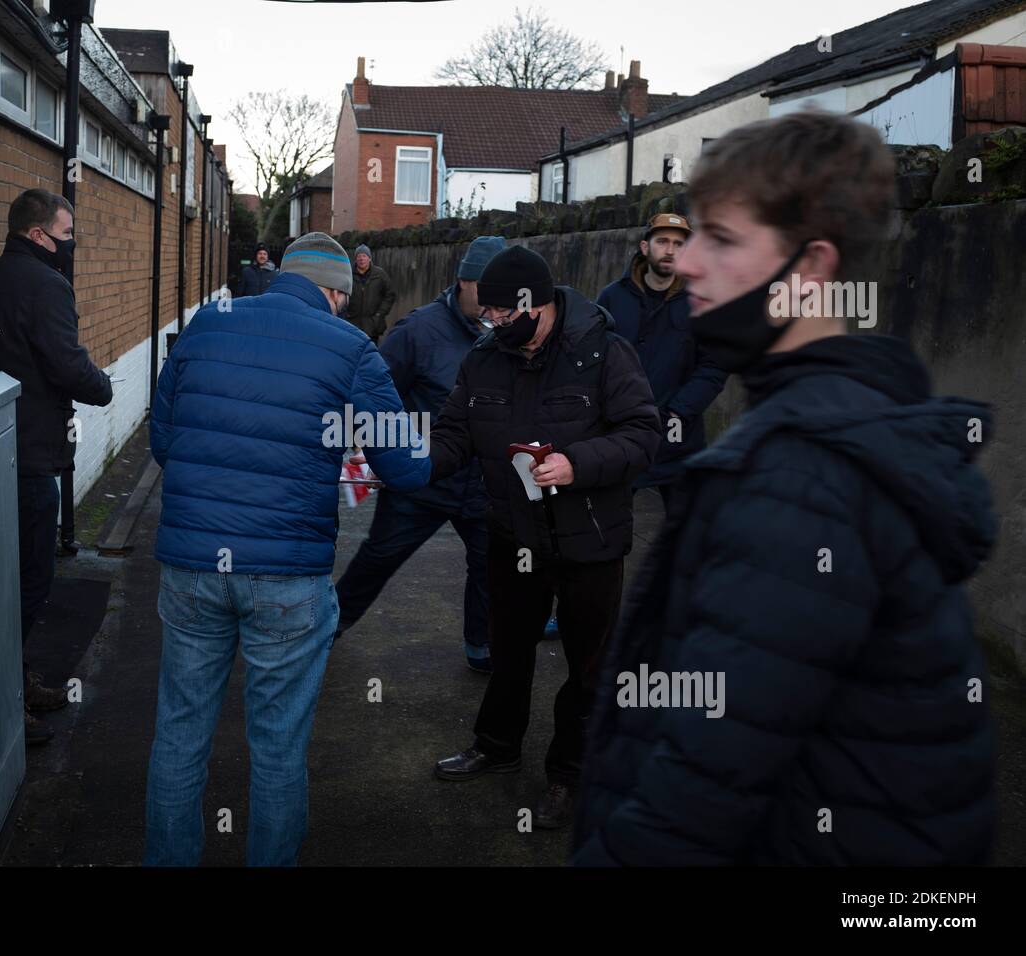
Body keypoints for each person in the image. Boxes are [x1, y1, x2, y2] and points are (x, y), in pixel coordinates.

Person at [571, 111, 996, 866]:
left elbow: (702, 780)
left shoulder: (799, 478)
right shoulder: (847, 423)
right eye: (690, 234)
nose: (689, 262)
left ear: (808, 271)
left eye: (723, 239)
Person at [145, 231, 430, 867]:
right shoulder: (351, 346)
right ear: (335, 292)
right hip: (286, 575)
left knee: (180, 731)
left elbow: (164, 441)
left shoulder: (205, 325)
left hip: (192, 566)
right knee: (276, 746)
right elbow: (407, 467)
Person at [426, 244, 661, 829]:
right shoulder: (484, 359)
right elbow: (454, 433)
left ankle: (569, 776)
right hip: (514, 536)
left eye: (502, 314)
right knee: (508, 651)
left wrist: (576, 463)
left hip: (590, 540)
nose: (492, 324)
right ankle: (498, 746)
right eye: (488, 315)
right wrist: (405, 463)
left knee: (587, 665)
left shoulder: (605, 353)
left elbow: (643, 434)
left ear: (535, 305)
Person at [0, 188, 113, 746]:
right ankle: (6, 706)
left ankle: (15, 683)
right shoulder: (49, 285)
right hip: (30, 453)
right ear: (37, 235)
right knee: (31, 579)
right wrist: (104, 388)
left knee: (1, 577)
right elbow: (65, 361)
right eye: (65, 235)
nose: (70, 244)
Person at [334, 236, 506, 673]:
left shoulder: (509, 331)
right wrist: (380, 454)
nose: (492, 306)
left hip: (484, 484)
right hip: (423, 480)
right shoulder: (419, 331)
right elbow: (378, 393)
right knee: (378, 557)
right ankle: (327, 628)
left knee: (491, 565)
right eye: (483, 292)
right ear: (462, 281)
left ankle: (481, 646)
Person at [595, 213, 728, 520]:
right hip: (622, 433)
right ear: (645, 247)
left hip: (679, 437)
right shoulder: (612, 297)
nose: (670, 250)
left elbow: (715, 365)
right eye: (663, 241)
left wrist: (679, 410)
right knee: (607, 530)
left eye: (679, 244)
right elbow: (593, 356)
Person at [346, 243, 396, 343]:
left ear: (369, 258)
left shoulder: (380, 274)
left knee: (370, 354)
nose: (361, 259)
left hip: (372, 326)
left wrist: (379, 314)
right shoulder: (348, 274)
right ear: (355, 259)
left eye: (364, 256)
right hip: (352, 324)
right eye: (359, 256)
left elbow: (390, 294)